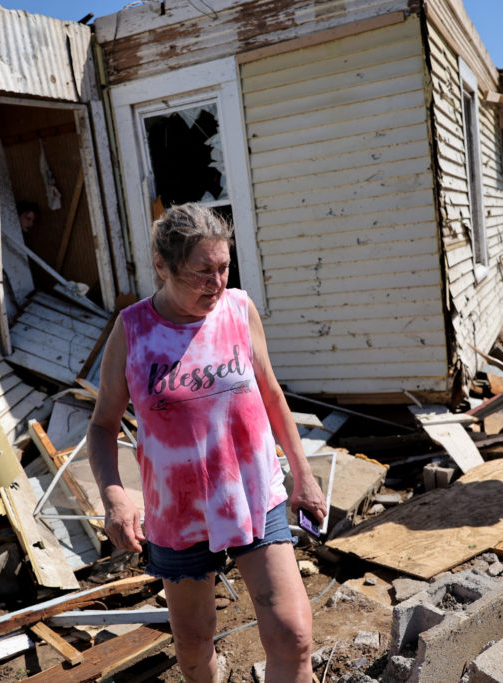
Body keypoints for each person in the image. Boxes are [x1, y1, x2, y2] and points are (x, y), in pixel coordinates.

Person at [88, 203, 327, 682]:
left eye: (223, 268)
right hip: (178, 511)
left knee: (293, 638)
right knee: (195, 649)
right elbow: (101, 426)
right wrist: (115, 497)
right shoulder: (133, 331)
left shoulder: (238, 309)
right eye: (202, 272)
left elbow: (272, 393)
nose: (216, 284)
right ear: (162, 266)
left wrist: (303, 475)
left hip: (255, 496)